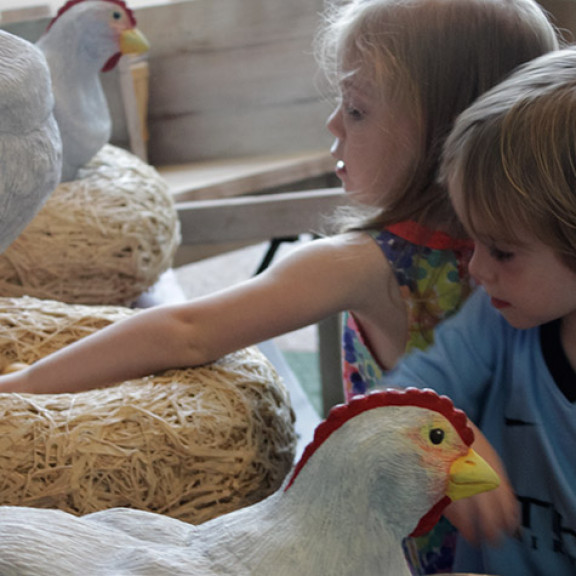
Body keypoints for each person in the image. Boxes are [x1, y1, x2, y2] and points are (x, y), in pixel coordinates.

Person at [382, 47, 576, 575]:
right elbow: (387, 405)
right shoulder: (498, 321)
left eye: (503, 251)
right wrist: (448, 431)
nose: (475, 270)